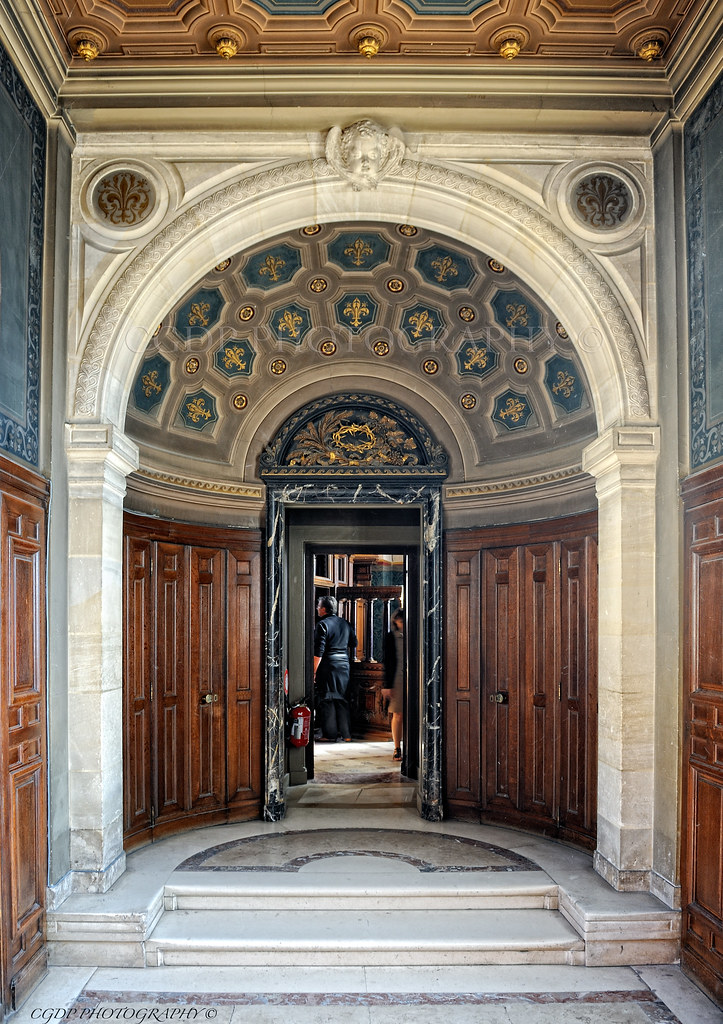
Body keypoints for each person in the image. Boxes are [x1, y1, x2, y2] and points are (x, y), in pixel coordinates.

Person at [313, 595, 357, 742]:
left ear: (324, 609)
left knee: (327, 699)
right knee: (342, 699)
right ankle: (347, 735)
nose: (317, 608)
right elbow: (354, 643)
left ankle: (329, 734)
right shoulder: (345, 623)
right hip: (344, 665)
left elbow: (318, 652)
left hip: (328, 666)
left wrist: (313, 671)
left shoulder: (322, 625)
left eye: (318, 606)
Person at [382, 608, 405, 762]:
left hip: (414, 678)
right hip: (397, 679)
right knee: (398, 713)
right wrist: (387, 685)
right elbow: (388, 662)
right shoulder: (391, 638)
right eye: (400, 621)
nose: (402, 624)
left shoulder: (415, 635)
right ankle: (397, 747)